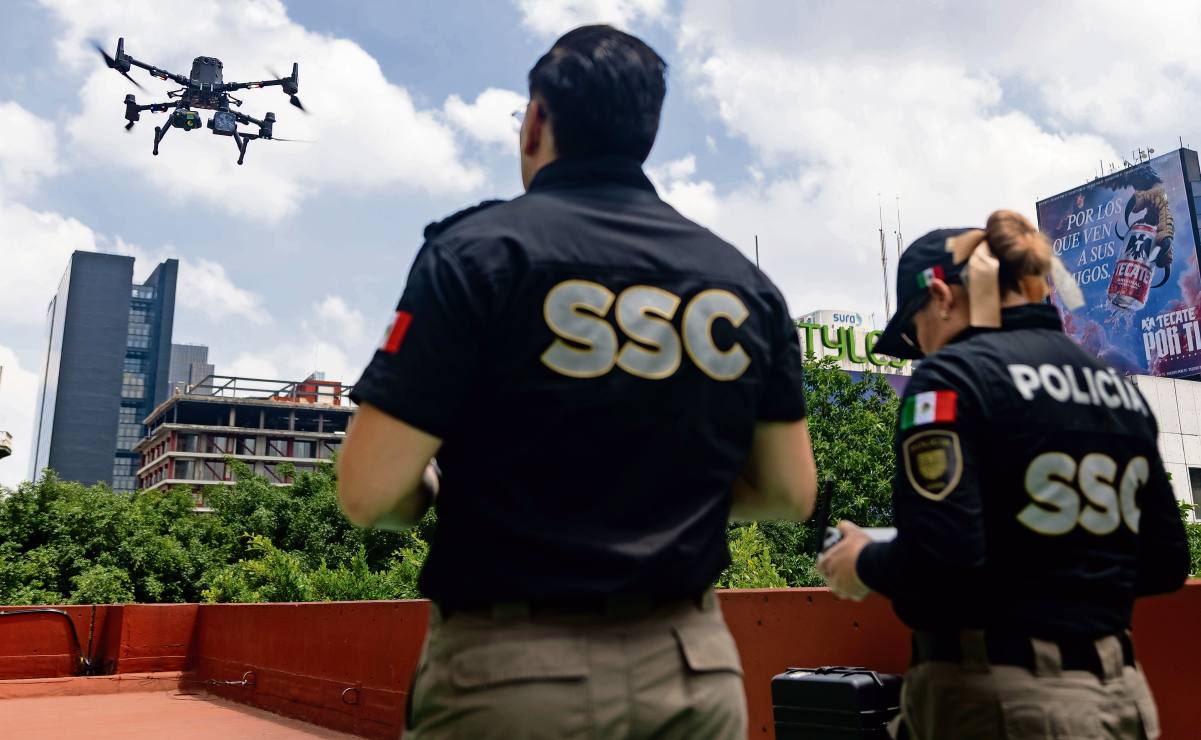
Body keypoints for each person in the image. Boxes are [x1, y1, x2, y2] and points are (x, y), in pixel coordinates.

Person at [336, 25, 818, 740]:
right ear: (644, 132)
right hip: (692, 672)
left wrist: (436, 492)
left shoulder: (476, 256)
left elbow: (368, 492)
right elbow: (787, 493)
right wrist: (667, 505)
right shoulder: (742, 284)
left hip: (508, 675)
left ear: (535, 120)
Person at [818, 210, 1190, 740]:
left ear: (942, 299)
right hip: (1122, 699)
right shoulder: (1118, 388)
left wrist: (862, 561)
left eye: (916, 333)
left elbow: (942, 560)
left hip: (1002, 703)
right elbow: (1165, 562)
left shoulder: (952, 379)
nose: (921, 351)